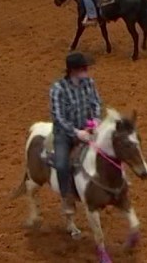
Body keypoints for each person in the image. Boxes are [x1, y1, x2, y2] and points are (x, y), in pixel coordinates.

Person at [49, 52, 103, 216]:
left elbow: (96, 103)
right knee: (61, 164)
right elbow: (58, 117)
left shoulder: (89, 83)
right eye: (83, 68)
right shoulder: (58, 89)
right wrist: (77, 133)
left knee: (107, 152)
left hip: (87, 128)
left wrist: (95, 120)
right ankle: (67, 197)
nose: (87, 70)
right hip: (65, 133)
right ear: (73, 70)